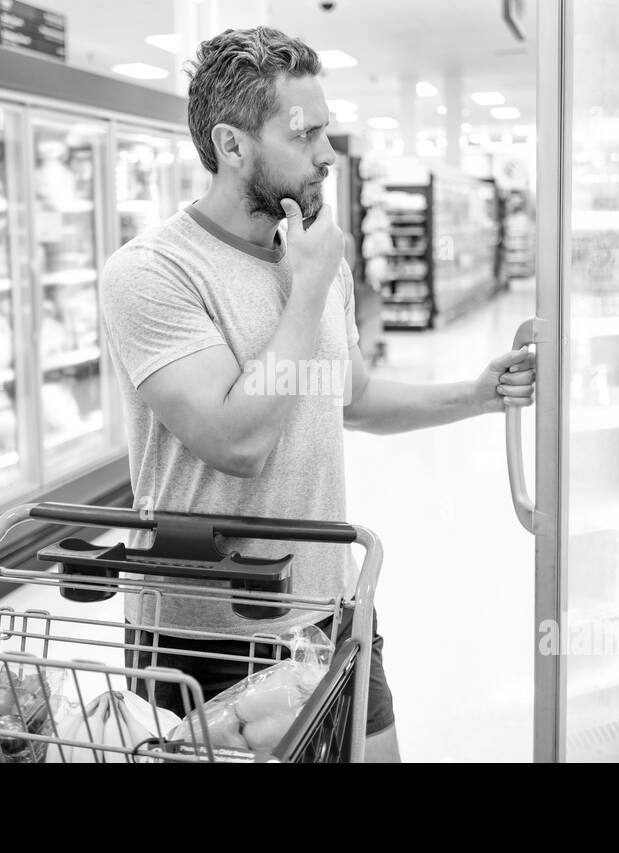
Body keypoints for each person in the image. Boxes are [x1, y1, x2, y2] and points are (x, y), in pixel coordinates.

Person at [99, 26, 535, 763]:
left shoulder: (315, 256)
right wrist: (303, 290)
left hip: (329, 604)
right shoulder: (151, 273)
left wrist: (475, 394)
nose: (328, 154)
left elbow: (350, 397)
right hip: (203, 635)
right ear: (231, 146)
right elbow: (235, 440)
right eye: (305, 135)